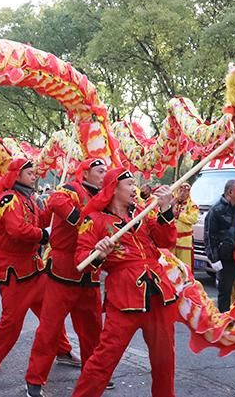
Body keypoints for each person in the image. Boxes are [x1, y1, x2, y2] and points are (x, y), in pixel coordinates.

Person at [72, 167, 177, 397]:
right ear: (114, 188)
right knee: (103, 360)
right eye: (129, 184)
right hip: (123, 297)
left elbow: (166, 241)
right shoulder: (95, 220)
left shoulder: (143, 212)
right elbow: (81, 259)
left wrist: (166, 209)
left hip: (157, 293)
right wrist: (98, 252)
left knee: (164, 361)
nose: (135, 189)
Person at [0, 158, 75, 379]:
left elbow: (39, 221)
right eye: (30, 173)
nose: (34, 176)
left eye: (34, 173)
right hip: (14, 269)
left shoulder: (29, 199)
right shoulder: (8, 199)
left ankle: (63, 350)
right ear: (17, 175)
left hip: (34, 267)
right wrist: (44, 234)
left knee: (50, 315)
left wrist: (53, 206)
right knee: (11, 321)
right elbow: (17, 230)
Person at [24, 158, 107, 397]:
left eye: (105, 172)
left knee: (92, 330)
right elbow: (59, 204)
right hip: (62, 272)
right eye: (99, 171)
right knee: (49, 329)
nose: (103, 175)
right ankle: (35, 379)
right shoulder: (70, 190)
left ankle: (93, 374)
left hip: (90, 272)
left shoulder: (106, 197)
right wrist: (93, 217)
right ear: (86, 173)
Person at [205, 180, 235, 312]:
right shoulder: (216, 211)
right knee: (225, 291)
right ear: (230, 192)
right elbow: (209, 236)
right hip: (225, 257)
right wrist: (214, 259)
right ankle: (223, 320)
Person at [171, 182, 199, 272]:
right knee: (172, 267)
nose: (182, 193)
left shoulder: (192, 205)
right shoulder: (173, 203)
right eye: (181, 190)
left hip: (184, 242)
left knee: (185, 268)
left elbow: (194, 219)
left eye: (185, 191)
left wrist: (179, 215)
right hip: (172, 241)